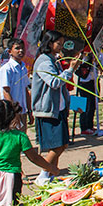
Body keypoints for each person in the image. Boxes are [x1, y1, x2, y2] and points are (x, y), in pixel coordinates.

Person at [32, 30, 77, 184]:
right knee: (57, 146)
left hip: (58, 109)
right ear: (50, 43)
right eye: (58, 43)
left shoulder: (53, 60)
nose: (61, 46)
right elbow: (55, 82)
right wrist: (70, 70)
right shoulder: (44, 61)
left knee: (62, 144)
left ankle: (51, 176)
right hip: (48, 110)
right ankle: (44, 174)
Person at [0, 39, 32, 131]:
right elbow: (6, 92)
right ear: (10, 51)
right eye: (17, 48)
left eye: (22, 48)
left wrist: (29, 110)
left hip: (22, 110)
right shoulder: (6, 69)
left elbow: (25, 90)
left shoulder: (23, 68)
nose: (21, 51)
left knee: (22, 137)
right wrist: (13, 112)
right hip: (11, 112)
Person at [74, 53, 97, 136]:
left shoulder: (91, 55)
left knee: (92, 105)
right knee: (84, 106)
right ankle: (83, 127)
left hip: (91, 80)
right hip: (82, 83)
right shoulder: (79, 56)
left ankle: (90, 125)